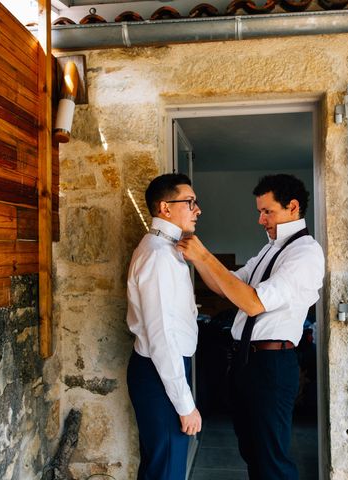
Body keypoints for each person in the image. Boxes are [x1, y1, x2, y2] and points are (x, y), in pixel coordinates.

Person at [177, 174, 324, 479]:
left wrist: (204, 254)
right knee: (252, 452)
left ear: (293, 207)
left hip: (271, 365)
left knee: (272, 461)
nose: (260, 220)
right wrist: (195, 259)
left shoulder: (305, 253)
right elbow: (227, 285)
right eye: (259, 211)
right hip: (246, 362)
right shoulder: (270, 248)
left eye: (267, 211)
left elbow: (253, 303)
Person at [126, 173, 203, 480]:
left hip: (161, 370)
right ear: (165, 208)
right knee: (166, 470)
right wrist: (186, 405)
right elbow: (162, 337)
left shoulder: (166, 249)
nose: (198, 209)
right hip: (159, 371)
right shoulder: (158, 255)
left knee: (161, 467)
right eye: (190, 202)